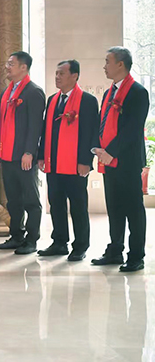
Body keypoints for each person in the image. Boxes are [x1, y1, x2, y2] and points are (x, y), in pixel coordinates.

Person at [91, 47, 150, 272]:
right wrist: (98, 149)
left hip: (127, 161)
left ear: (120, 64)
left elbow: (132, 129)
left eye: (107, 61)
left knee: (133, 210)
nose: (104, 66)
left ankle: (136, 256)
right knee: (114, 209)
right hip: (108, 160)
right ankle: (115, 250)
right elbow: (102, 122)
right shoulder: (110, 92)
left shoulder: (138, 92)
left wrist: (111, 152)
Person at [37, 60, 99, 262]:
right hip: (53, 162)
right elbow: (45, 130)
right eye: (56, 73)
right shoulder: (52, 100)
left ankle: (80, 246)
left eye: (61, 73)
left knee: (78, 206)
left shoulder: (87, 101)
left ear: (75, 76)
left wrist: (86, 161)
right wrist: (41, 155)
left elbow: (91, 133)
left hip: (75, 164)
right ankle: (59, 242)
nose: (57, 77)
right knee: (56, 204)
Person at [0, 51, 46, 255]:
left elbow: (36, 126)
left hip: (24, 157)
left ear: (24, 67)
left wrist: (29, 152)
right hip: (7, 155)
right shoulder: (6, 92)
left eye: (11, 64)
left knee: (31, 200)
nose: (7, 67)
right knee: (13, 200)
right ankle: (16, 236)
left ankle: (31, 240)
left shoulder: (33, 92)